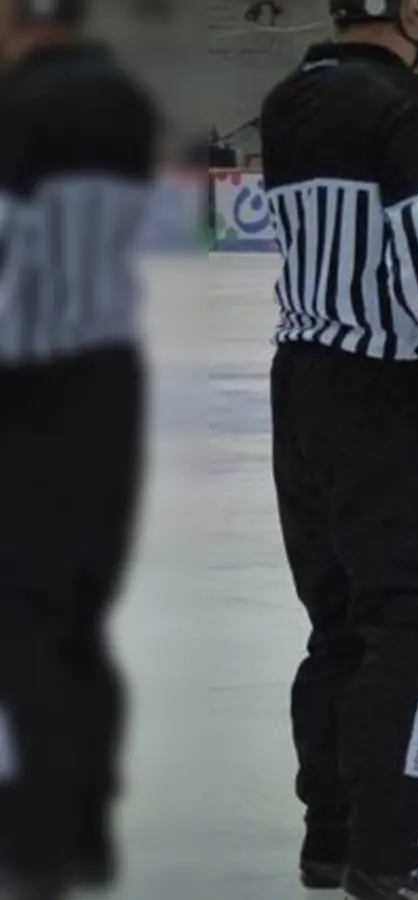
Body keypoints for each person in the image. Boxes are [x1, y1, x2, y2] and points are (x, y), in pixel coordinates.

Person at [259, 1, 418, 897]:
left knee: (342, 621)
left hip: (302, 386)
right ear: (410, 11)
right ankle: (389, 853)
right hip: (382, 393)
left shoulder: (290, 97)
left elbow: (358, 159)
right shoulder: (409, 111)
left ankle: (332, 837)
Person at [0, 0, 156, 895]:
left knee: (23, 618)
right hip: (105, 383)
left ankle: (38, 835)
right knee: (78, 620)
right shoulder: (120, 101)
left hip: (30, 389)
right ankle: (85, 826)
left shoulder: (23, 109)